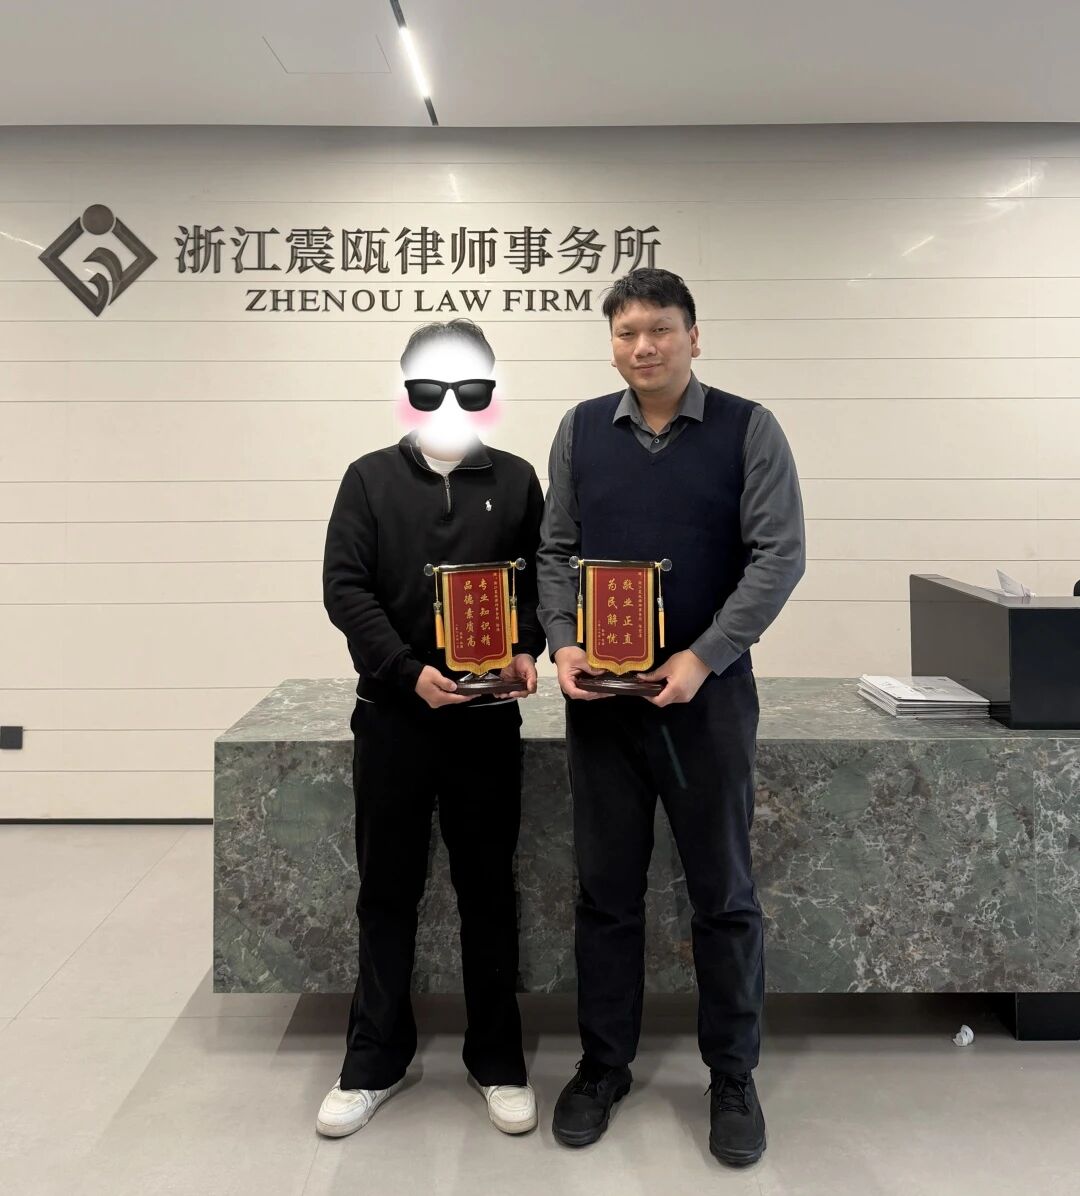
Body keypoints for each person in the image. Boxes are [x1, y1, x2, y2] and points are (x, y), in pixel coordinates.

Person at [536, 267, 806, 1166]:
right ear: (611, 344)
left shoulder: (748, 429)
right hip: (604, 707)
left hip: (707, 704)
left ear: (695, 335)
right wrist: (564, 642)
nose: (642, 346)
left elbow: (778, 556)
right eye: (625, 333)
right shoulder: (580, 430)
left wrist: (702, 656)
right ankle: (602, 1066)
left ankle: (732, 1076)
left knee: (723, 895)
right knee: (605, 893)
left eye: (659, 329)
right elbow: (556, 551)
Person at [318, 318, 544, 1139]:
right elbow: (345, 588)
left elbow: (538, 585)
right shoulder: (369, 478)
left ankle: (497, 1058)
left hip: (486, 724)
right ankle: (374, 1060)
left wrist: (526, 649)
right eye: (431, 380)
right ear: (408, 385)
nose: (449, 396)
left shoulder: (516, 480)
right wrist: (406, 669)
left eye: (467, 380)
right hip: (394, 719)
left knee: (488, 891)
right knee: (386, 892)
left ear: (489, 385)